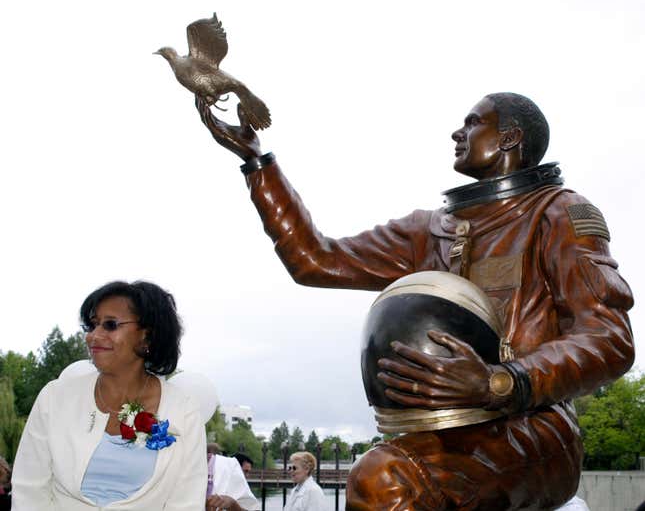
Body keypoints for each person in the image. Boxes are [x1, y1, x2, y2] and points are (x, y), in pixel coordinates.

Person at [194, 92, 634, 510]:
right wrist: (256, 162)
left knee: (383, 478)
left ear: (508, 138)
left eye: (473, 123)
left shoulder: (559, 213)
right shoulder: (430, 229)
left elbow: (608, 339)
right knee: (384, 472)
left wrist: (501, 381)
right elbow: (315, 260)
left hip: (535, 428)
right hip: (439, 431)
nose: (456, 134)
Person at [11, 280, 207, 510]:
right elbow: (29, 490)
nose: (93, 336)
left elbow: (186, 502)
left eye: (110, 325)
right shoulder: (55, 397)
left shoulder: (184, 410)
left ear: (147, 336)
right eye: (93, 325)